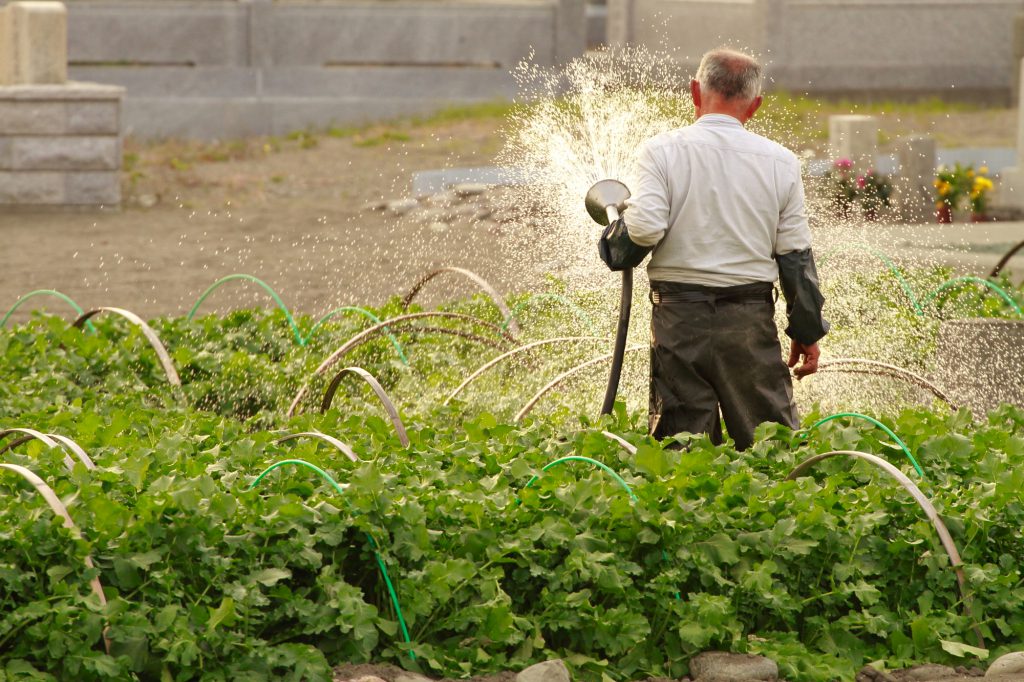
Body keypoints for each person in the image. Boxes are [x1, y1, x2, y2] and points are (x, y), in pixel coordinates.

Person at [620, 47, 829, 450]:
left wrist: (614, 245)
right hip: (748, 320)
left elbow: (644, 228)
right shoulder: (781, 162)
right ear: (754, 106)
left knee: (682, 451)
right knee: (773, 446)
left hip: (679, 318)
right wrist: (806, 330)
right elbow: (795, 256)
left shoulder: (661, 150)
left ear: (695, 91)